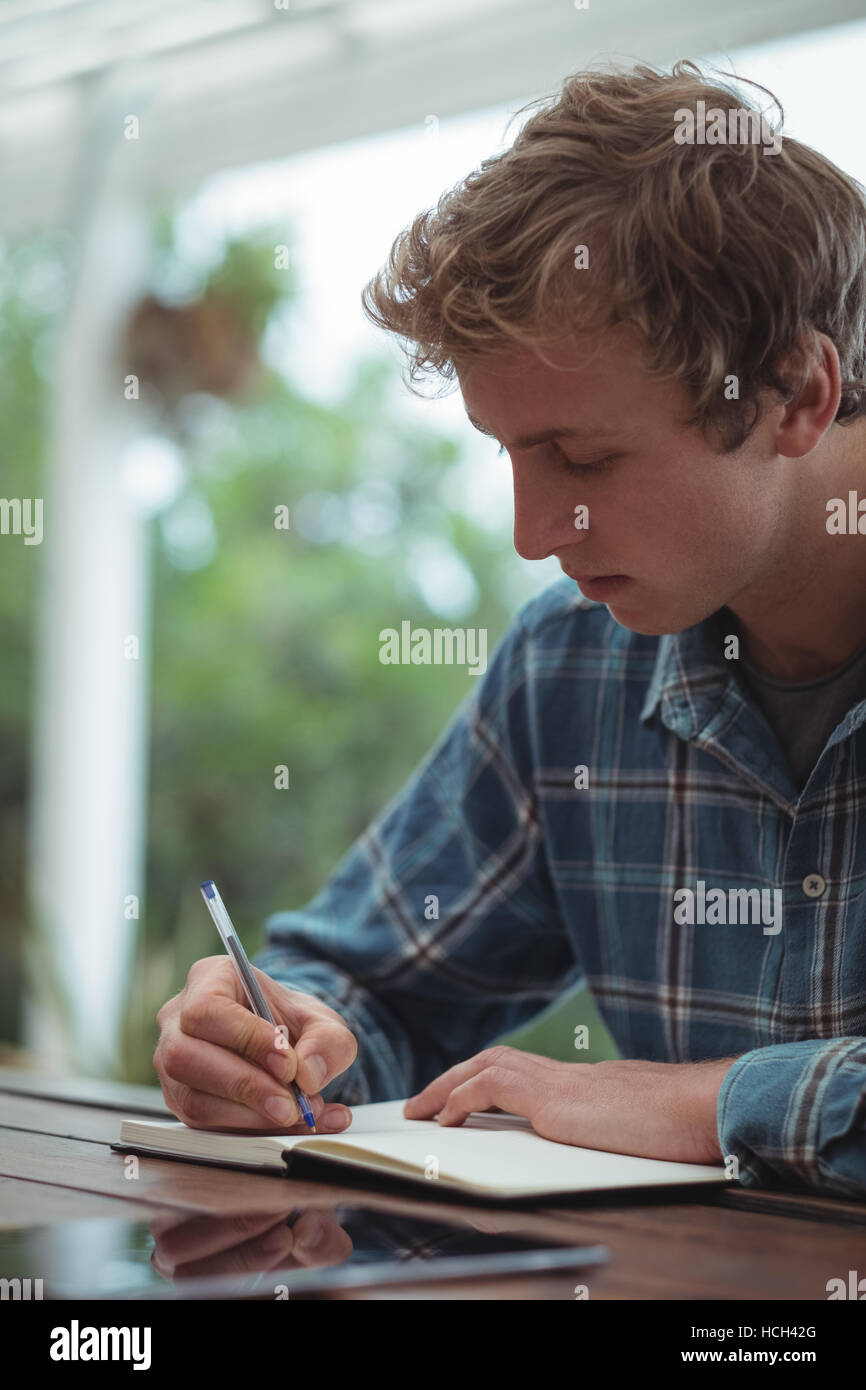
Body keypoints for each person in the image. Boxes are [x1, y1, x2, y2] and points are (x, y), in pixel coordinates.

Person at [154, 60, 866, 1197]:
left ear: (793, 393)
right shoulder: (570, 669)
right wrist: (276, 1033)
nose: (535, 531)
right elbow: (380, 986)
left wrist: (702, 1100)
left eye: (583, 457)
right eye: (510, 451)